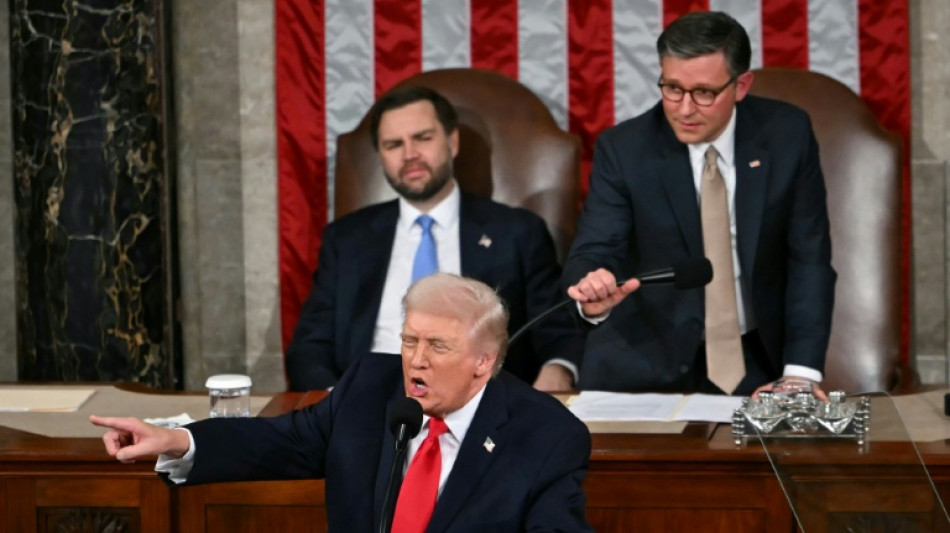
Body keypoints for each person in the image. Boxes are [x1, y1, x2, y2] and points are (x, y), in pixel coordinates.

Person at [91, 274, 593, 532]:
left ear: (483, 361)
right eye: (409, 341)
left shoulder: (545, 435)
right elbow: (280, 440)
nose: (416, 361)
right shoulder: (369, 389)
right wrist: (175, 440)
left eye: (438, 347)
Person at [564, 11, 836, 397]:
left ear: (741, 86)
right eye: (673, 88)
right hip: (642, 363)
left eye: (704, 93)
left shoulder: (786, 135)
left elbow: (809, 259)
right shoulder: (625, 149)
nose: (684, 109)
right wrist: (593, 292)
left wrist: (800, 373)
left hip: (757, 363)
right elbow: (594, 249)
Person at [285, 85, 584, 392]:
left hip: (482, 404)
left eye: (423, 138)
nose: (409, 154)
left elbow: (557, 331)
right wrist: (337, 402)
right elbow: (309, 347)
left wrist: (558, 371)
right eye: (393, 145)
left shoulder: (517, 232)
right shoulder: (346, 239)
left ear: (452, 142)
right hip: (368, 402)